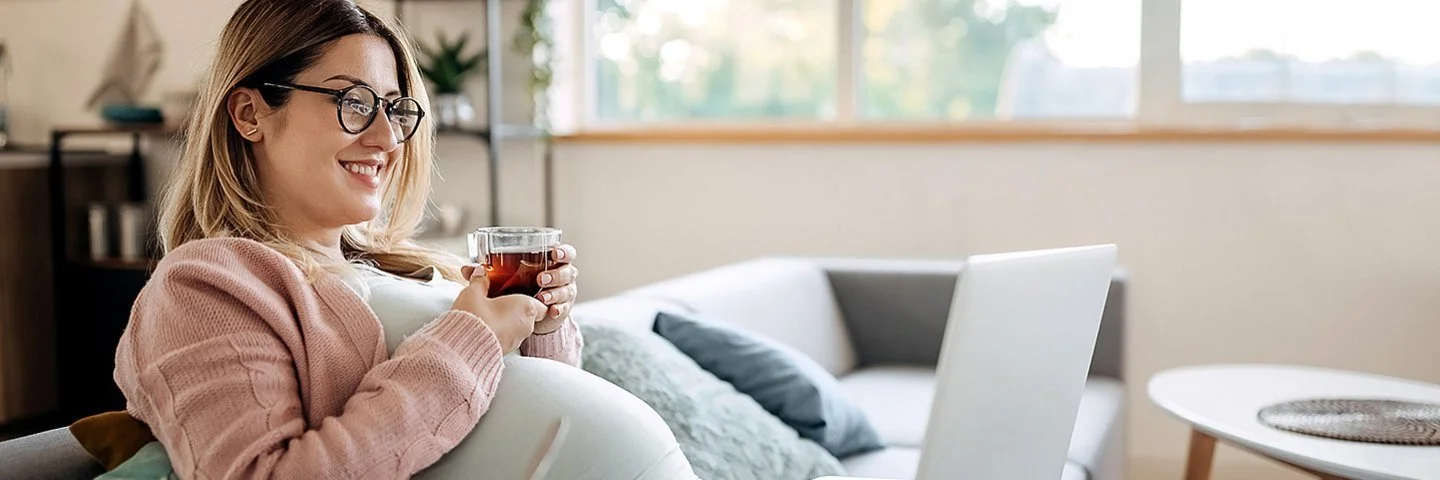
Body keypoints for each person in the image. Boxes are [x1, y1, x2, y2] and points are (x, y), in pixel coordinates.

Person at [112, 0, 695, 478]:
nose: (388, 137)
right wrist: (468, 340)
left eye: (394, 108)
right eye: (354, 103)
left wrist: (537, 330)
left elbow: (523, 406)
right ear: (249, 114)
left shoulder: (411, 266)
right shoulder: (207, 286)